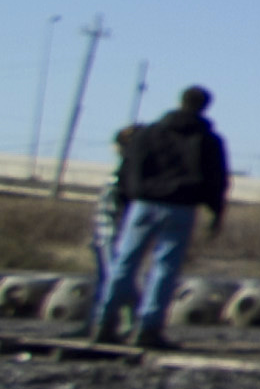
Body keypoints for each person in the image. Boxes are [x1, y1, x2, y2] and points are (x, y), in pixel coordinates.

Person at [90, 85, 229, 350]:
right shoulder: (208, 140)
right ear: (205, 106)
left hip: (142, 205)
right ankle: (148, 328)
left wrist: (126, 199)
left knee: (124, 264)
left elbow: (129, 167)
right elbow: (216, 179)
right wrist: (216, 212)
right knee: (165, 268)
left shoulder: (149, 133)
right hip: (180, 207)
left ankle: (103, 323)